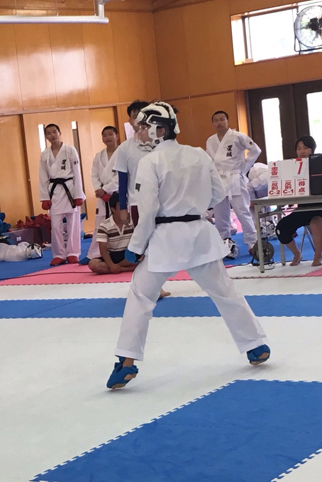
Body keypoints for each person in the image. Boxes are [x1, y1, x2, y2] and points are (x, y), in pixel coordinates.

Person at [106, 102, 270, 390]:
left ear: (159, 130)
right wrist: (192, 205)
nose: (139, 133)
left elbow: (148, 210)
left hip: (166, 238)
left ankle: (127, 362)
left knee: (141, 295)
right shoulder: (198, 154)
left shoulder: (150, 162)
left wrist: (136, 246)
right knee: (224, 291)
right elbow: (217, 194)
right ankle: (256, 345)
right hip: (199, 234)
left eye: (143, 127)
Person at [113, 99, 170, 300]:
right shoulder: (125, 148)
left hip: (163, 201)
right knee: (145, 245)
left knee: (162, 243)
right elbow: (122, 180)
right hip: (138, 202)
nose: (138, 119)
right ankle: (148, 286)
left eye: (142, 114)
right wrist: (122, 207)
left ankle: (156, 284)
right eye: (134, 116)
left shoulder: (161, 143)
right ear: (129, 120)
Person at [207, 110, 261, 258]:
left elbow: (255, 150)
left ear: (227, 121)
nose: (219, 123)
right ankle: (225, 242)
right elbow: (209, 161)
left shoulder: (237, 136)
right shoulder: (210, 141)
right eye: (216, 120)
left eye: (222, 119)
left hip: (235, 177)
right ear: (212, 123)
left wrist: (244, 168)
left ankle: (252, 243)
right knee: (220, 214)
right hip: (218, 179)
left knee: (242, 211)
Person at [39, 124, 86, 266]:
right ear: (46, 137)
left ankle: (73, 252)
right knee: (55, 225)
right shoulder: (45, 154)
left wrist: (78, 194)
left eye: (54, 132)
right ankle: (59, 254)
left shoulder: (70, 150)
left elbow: (77, 173)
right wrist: (44, 197)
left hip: (70, 189)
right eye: (49, 133)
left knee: (73, 223)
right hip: (54, 191)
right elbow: (42, 176)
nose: (52, 135)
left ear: (60, 133)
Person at [275, 136, 321, 266]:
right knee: (281, 229)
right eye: (299, 148)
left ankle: (317, 256)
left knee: (316, 224)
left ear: (312, 149)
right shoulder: (293, 167)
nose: (302, 151)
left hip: (319, 207)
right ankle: (296, 253)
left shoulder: (319, 163)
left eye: (305, 148)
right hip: (303, 208)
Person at [81, 126, 120, 265]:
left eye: (110, 134)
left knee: (120, 222)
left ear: (117, 136)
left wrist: (106, 189)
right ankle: (94, 253)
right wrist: (99, 189)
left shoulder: (122, 153)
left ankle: (119, 251)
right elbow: (94, 174)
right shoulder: (99, 156)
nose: (108, 137)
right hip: (102, 195)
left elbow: (121, 175)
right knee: (99, 223)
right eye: (105, 135)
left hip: (117, 193)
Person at [88, 192, 137, 275]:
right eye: (121, 207)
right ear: (113, 209)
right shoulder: (104, 225)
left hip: (128, 255)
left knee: (143, 258)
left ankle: (118, 268)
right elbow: (103, 250)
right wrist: (111, 265)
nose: (125, 209)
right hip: (112, 255)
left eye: (126, 206)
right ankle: (125, 268)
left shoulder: (133, 222)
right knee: (93, 264)